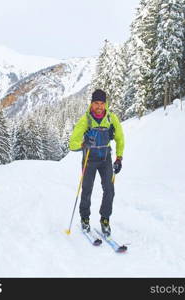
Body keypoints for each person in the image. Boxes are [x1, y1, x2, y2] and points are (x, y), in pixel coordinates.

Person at [69, 89, 125, 236]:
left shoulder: (111, 119)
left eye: (102, 103)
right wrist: (84, 143)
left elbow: (120, 138)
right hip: (89, 159)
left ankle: (105, 219)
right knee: (87, 190)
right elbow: (72, 143)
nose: (99, 106)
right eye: (96, 103)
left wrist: (119, 158)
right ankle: (85, 218)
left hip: (105, 158)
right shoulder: (85, 120)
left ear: (105, 104)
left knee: (109, 190)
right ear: (92, 104)